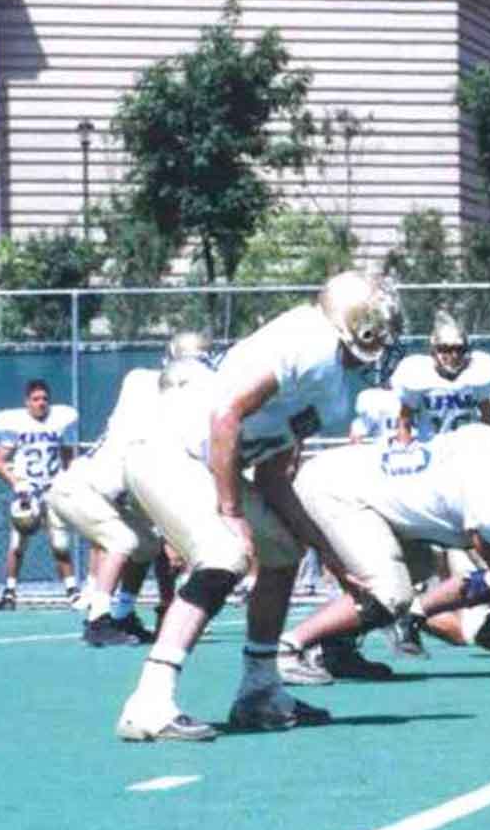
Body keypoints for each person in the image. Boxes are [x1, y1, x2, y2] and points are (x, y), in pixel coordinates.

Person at [115, 270, 400, 742]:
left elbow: (272, 476)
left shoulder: (332, 386)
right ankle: (148, 701)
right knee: (225, 554)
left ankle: (260, 689)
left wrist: (329, 555)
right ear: (359, 323)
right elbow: (225, 415)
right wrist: (230, 514)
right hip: (169, 452)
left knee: (284, 551)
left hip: (205, 463)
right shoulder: (310, 342)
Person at [278, 423, 490, 690]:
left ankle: (336, 649)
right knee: (390, 593)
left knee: (418, 566)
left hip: (350, 476)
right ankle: (290, 648)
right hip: (337, 489)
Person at [49, 359, 199, 646]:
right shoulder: (145, 430)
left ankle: (122, 613)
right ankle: (97, 620)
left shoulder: (150, 416)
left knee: (148, 545)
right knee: (124, 540)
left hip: (99, 492)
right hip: (77, 489)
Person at [0, 378, 79, 607]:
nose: (41, 403)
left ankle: (72, 591)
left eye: (44, 399)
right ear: (27, 402)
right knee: (17, 544)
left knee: (60, 543)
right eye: (36, 399)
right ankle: (10, 592)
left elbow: (68, 456)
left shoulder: (61, 421)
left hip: (52, 488)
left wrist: (67, 479)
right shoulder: (15, 424)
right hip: (26, 491)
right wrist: (16, 482)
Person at [390, 311, 490, 441]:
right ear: (433, 351)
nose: (454, 355)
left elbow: (488, 418)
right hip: (431, 449)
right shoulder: (419, 376)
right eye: (446, 349)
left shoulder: (474, 376)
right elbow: (404, 421)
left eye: (459, 349)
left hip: (467, 449)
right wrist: (404, 448)